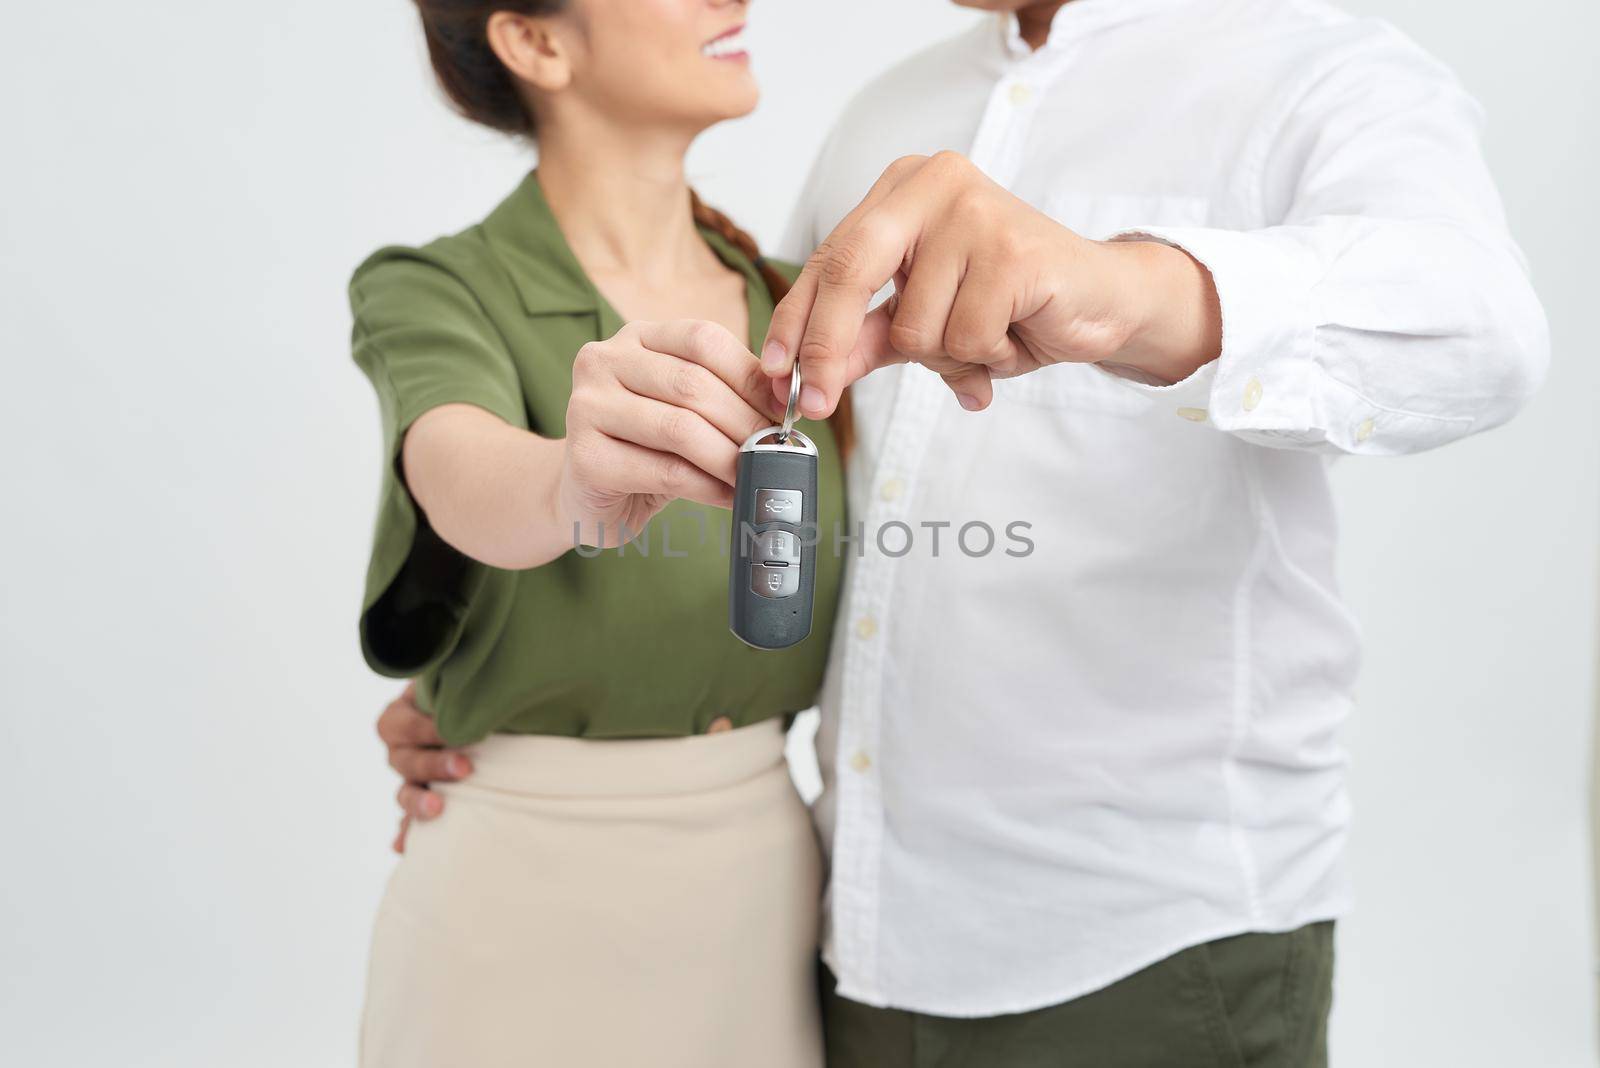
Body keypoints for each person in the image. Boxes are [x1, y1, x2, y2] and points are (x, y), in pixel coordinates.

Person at [378, 0, 1549, 1064]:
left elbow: (1485, 333)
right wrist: (514, 690)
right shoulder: (884, 118)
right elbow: (796, 484)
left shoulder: (1315, 71)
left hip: (1149, 948)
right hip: (852, 940)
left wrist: (1131, 290)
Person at [348, 2, 854, 1065]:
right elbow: (455, 467)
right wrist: (571, 485)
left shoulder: (796, 307)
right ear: (534, 42)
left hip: (767, 893)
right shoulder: (438, 288)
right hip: (514, 899)